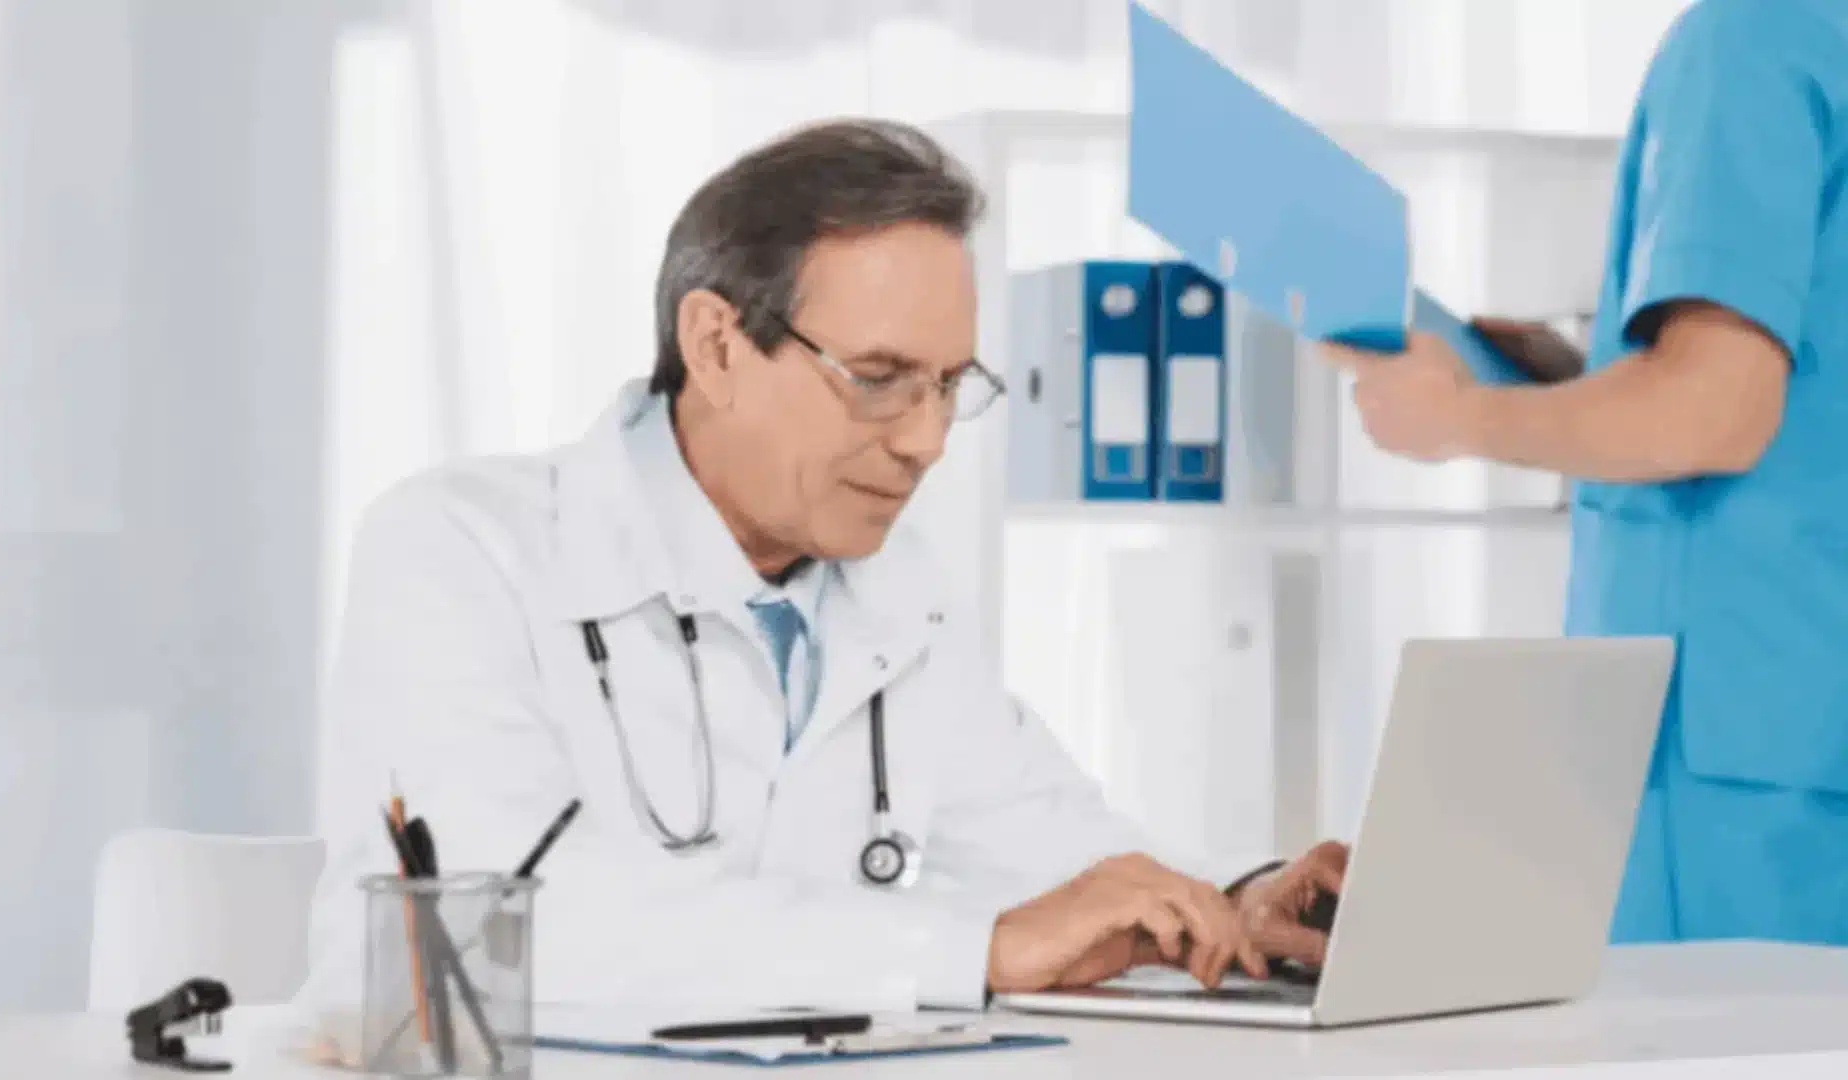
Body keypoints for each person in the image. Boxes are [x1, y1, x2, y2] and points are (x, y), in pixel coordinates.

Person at [301, 117, 1347, 1013]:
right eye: (882, 379)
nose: (927, 441)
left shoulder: (897, 593)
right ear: (715, 347)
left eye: (950, 386)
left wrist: (1234, 900)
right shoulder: (459, 548)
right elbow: (489, 932)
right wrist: (969, 952)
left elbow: (1049, 838)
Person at [1323, 0, 1848, 945]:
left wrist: (1457, 416)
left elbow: (1712, 414)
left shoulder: (1753, 39)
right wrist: (1589, 385)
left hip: (1740, 757)